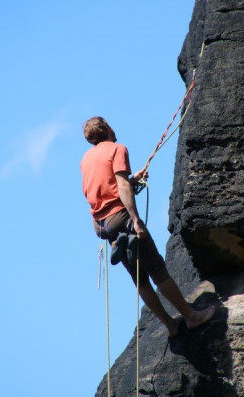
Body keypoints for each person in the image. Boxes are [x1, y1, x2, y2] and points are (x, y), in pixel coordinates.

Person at [80, 116, 215, 337]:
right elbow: (121, 187)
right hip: (121, 217)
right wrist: (135, 220)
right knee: (158, 271)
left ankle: (170, 326)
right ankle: (191, 317)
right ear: (106, 128)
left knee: (139, 279)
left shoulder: (86, 159)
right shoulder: (117, 149)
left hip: (102, 225)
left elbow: (104, 186)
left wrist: (133, 180)